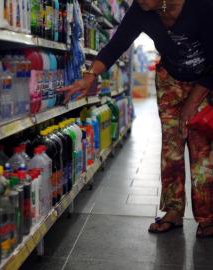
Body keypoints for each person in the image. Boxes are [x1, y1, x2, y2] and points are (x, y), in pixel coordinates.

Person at [60, 0, 213, 237]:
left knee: (201, 149)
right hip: (170, 80)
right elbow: (116, 45)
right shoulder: (142, 9)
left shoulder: (201, 6)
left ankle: (208, 218)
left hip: (204, 83)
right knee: (171, 148)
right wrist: (90, 75)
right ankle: (173, 211)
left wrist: (192, 103)